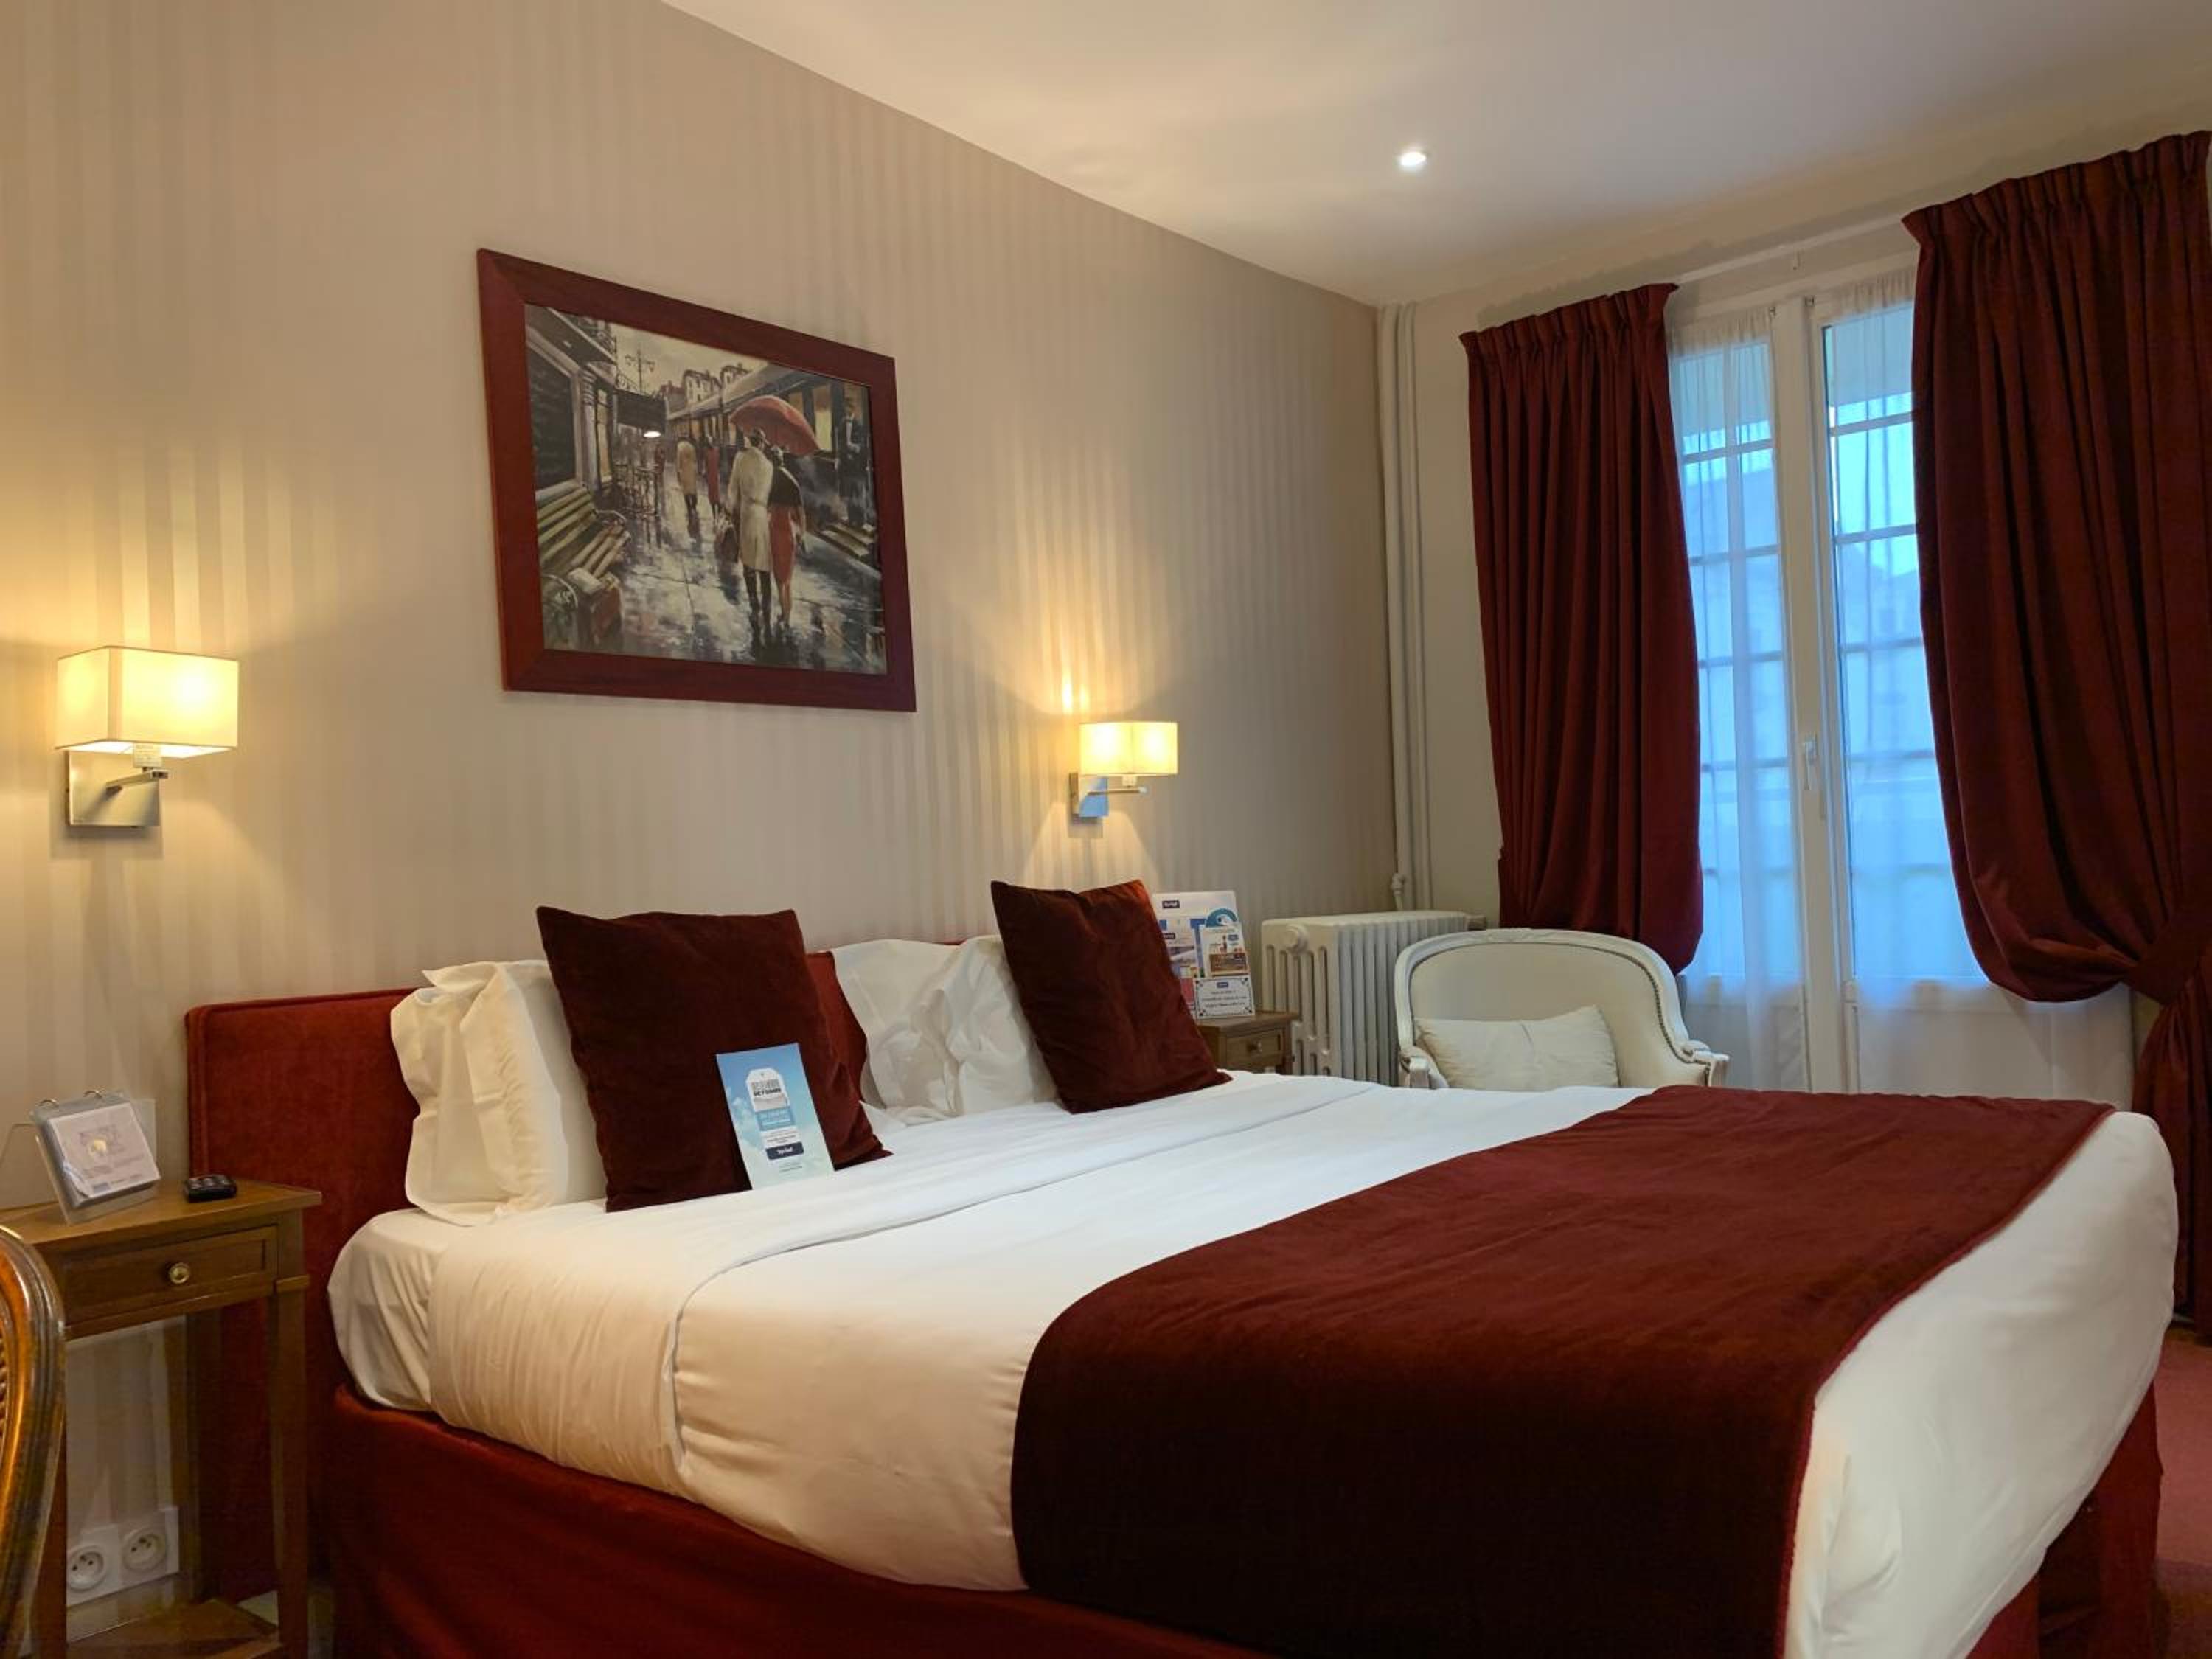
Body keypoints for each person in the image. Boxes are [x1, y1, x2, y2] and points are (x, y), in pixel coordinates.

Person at [731, 431, 775, 625]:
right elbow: (770, 493)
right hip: (762, 515)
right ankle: (767, 605)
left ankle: (754, 604)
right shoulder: (769, 465)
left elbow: (733, 489)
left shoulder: (740, 459)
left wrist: (729, 509)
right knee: (764, 563)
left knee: (748, 562)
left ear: (751, 441)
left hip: (747, 514)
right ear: (762, 444)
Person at [767, 446, 806, 626]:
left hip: (774, 530)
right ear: (782, 460)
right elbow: (802, 514)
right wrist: (802, 536)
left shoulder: (769, 479)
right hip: (788, 531)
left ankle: (783, 613)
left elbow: (767, 508)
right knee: (788, 579)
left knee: (778, 578)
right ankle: (787, 617)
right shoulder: (792, 481)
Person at [675, 437, 700, 538]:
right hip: (691, 470)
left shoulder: (679, 447)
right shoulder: (691, 447)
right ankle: (694, 505)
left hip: (684, 471)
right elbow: (695, 460)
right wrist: (696, 472)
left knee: (686, 491)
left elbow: (678, 462)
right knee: (693, 490)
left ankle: (689, 508)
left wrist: (678, 473)